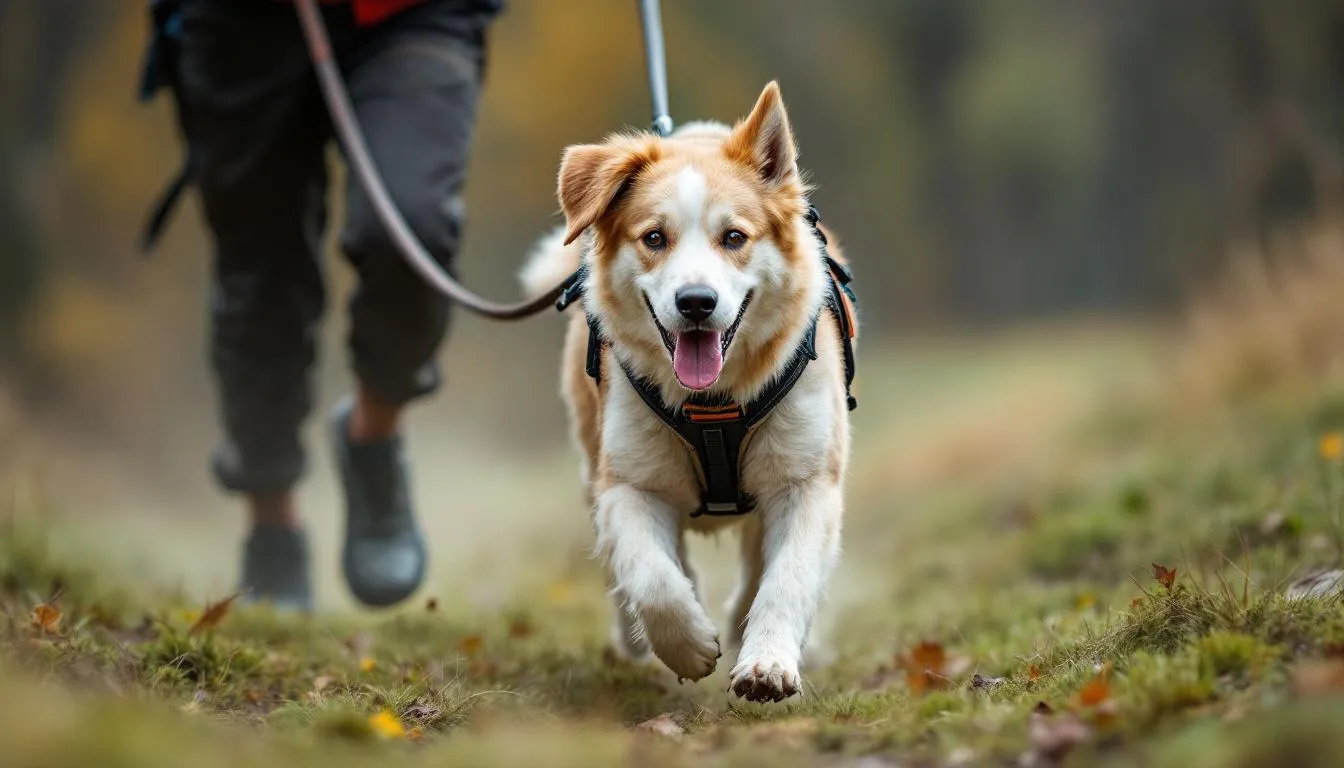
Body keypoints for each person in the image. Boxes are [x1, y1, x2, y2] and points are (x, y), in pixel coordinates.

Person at [140, 0, 503, 610]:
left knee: (409, 230)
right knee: (261, 276)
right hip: (239, 29)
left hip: (411, 14)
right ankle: (272, 525)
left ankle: (372, 435)